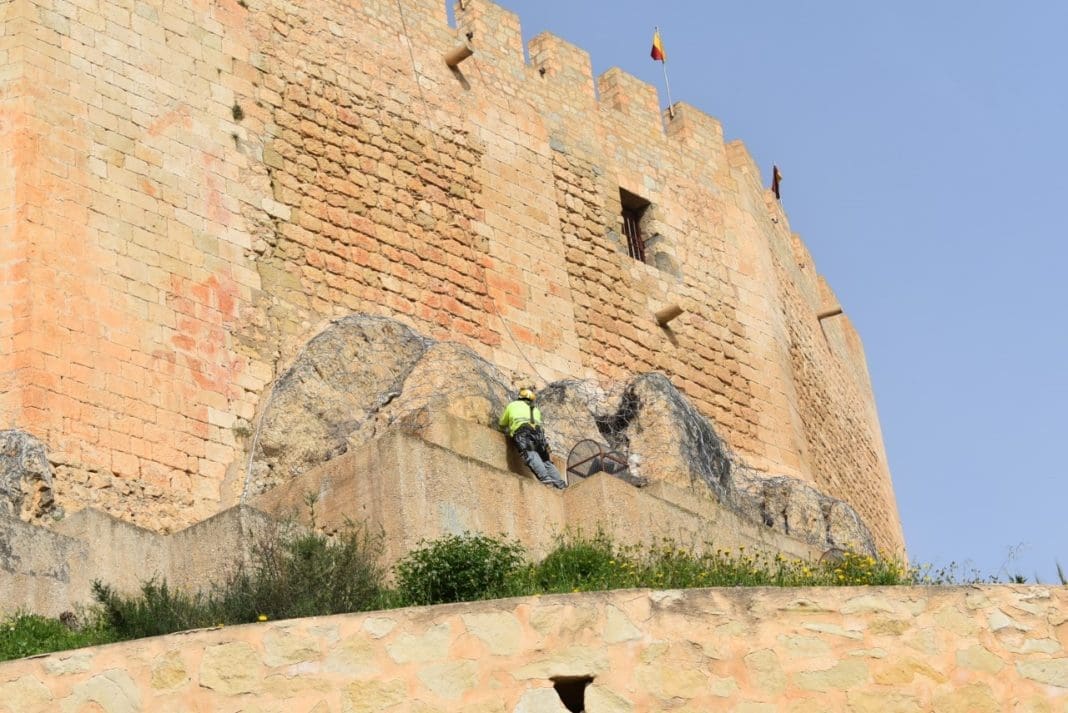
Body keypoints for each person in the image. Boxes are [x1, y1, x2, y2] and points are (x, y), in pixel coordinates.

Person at [499, 388, 567, 490]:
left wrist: (505, 430)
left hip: (523, 433)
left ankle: (546, 480)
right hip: (539, 435)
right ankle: (561, 485)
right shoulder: (535, 409)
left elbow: (502, 424)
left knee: (531, 454)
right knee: (546, 460)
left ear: (520, 397)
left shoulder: (512, 405)